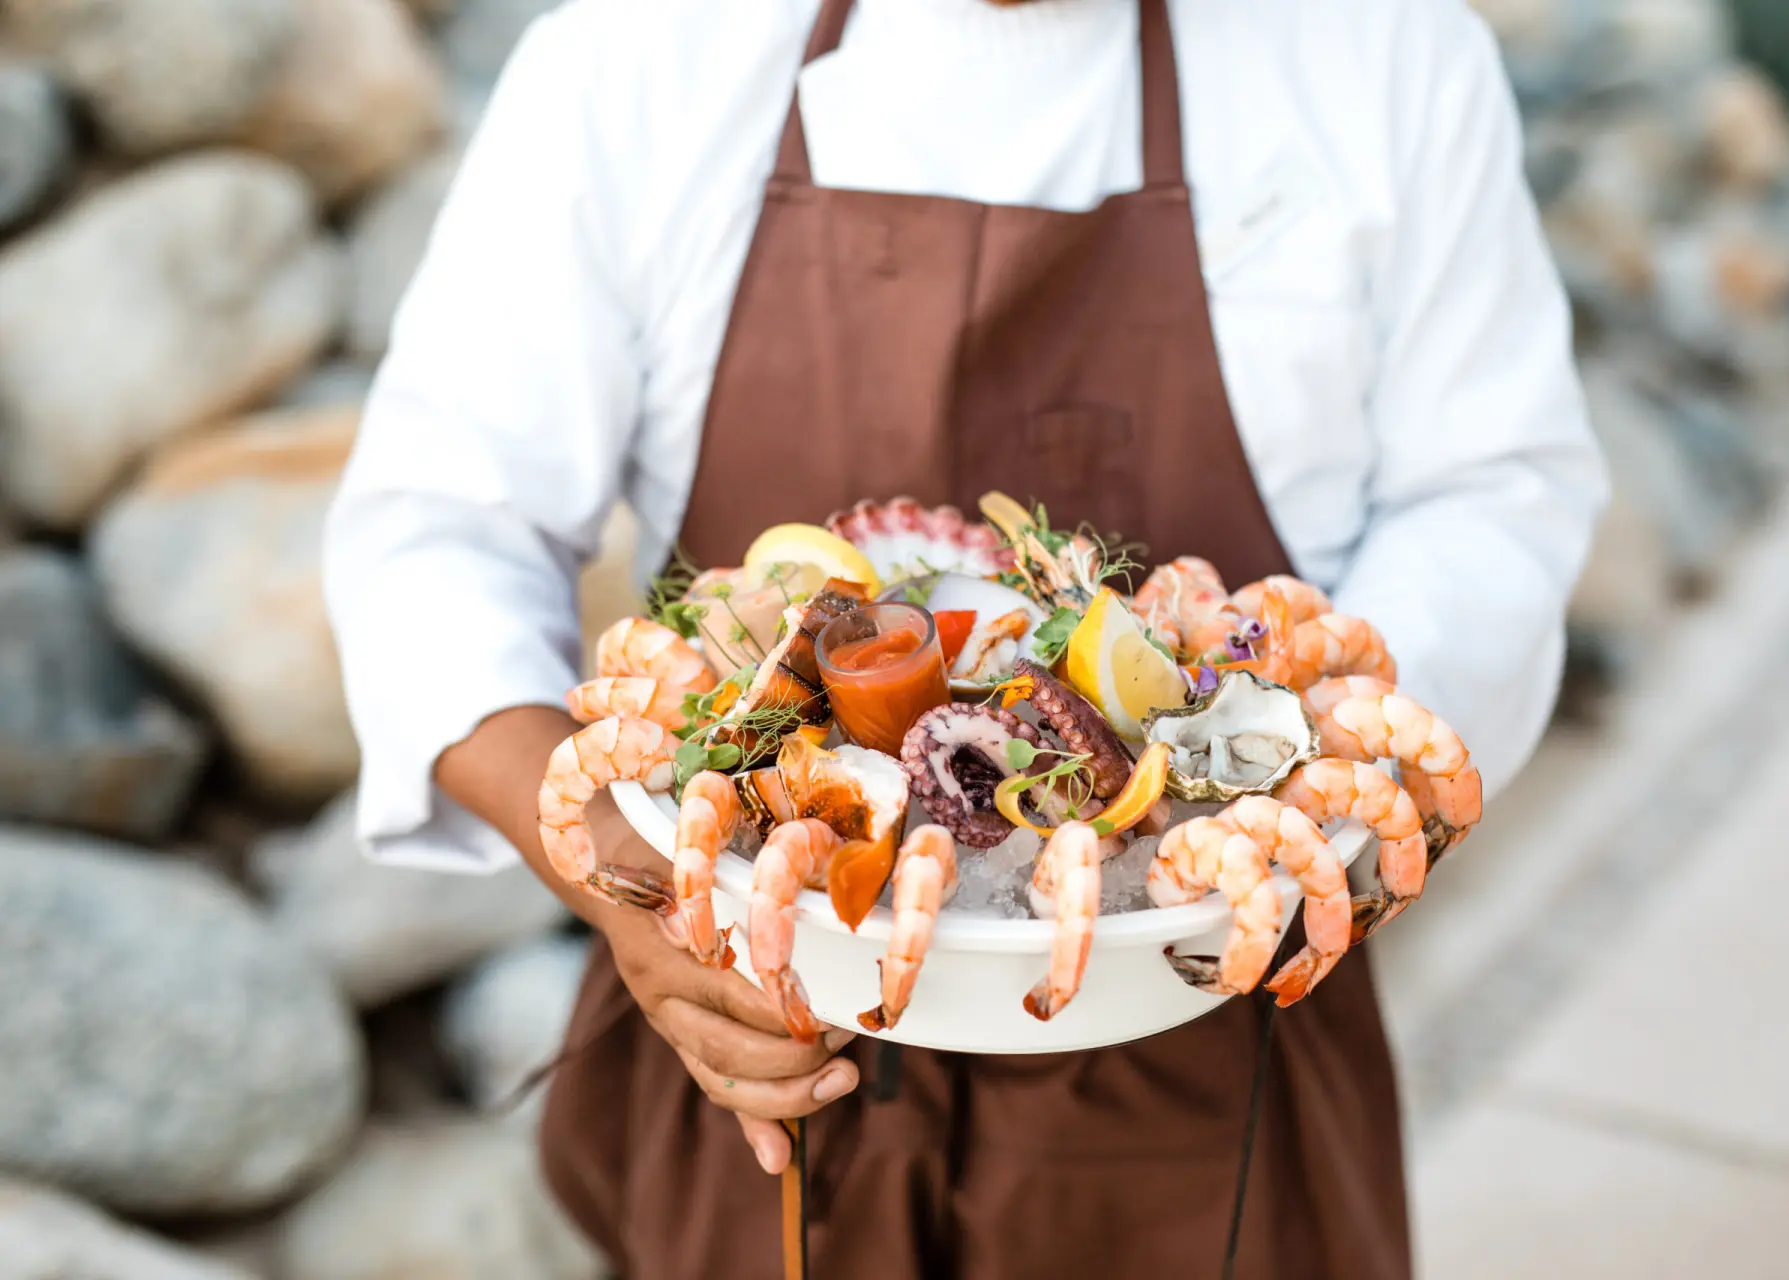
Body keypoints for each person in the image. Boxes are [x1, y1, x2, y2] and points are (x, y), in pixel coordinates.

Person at [323, 0, 1608, 1275]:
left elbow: (1493, 492)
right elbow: (435, 533)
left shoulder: (1385, 51)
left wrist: (1317, 786)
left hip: (1224, 1054)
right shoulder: (636, 59)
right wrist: (631, 883)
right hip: (763, 1064)